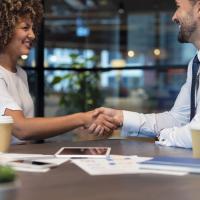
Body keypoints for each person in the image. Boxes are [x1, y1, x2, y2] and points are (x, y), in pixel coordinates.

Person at [0, 0, 118, 144]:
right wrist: (82, 119)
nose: (32, 35)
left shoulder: (20, 74)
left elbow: (30, 128)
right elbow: (21, 129)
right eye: (25, 28)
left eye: (32, 28)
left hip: (22, 161)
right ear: (4, 29)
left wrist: (82, 126)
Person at [92, 0, 200, 148]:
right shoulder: (195, 63)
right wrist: (121, 117)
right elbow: (178, 119)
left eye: (178, 7)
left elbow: (196, 134)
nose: (173, 17)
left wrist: (163, 135)